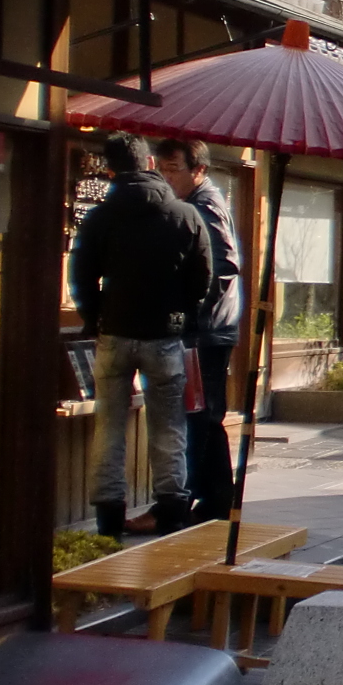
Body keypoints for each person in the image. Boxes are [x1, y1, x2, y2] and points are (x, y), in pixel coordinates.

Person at [70, 132, 212, 540]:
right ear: (149, 164)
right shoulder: (185, 215)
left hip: (115, 333)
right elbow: (202, 277)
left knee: (109, 426)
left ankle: (109, 515)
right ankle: (171, 507)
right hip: (165, 335)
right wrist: (183, 316)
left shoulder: (100, 217)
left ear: (110, 170)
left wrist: (95, 317)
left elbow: (81, 275)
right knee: (168, 426)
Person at [153, 138, 243, 523]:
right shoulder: (195, 202)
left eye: (173, 170)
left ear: (198, 170)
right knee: (204, 415)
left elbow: (223, 267)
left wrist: (187, 312)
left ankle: (201, 499)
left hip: (206, 329)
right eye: (161, 169)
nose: (166, 177)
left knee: (200, 415)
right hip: (209, 327)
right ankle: (216, 499)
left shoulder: (204, 206)